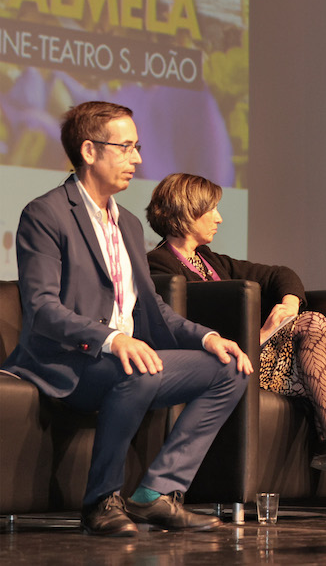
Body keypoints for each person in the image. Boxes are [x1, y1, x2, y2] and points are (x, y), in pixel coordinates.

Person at [2, 101, 253, 537]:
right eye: (126, 147)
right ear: (89, 151)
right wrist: (112, 340)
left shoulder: (130, 225)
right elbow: (42, 308)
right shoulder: (46, 214)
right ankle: (101, 501)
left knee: (230, 368)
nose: (137, 159)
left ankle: (156, 493)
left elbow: (152, 309)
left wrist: (207, 337)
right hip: (65, 360)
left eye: (138, 147)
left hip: (121, 361)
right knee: (134, 368)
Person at [145, 173, 326, 521]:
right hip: (224, 365)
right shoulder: (158, 266)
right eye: (211, 209)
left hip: (258, 361)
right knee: (318, 332)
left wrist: (288, 303)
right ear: (186, 212)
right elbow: (190, 331)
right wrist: (264, 333)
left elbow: (279, 274)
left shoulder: (212, 261)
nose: (220, 218)